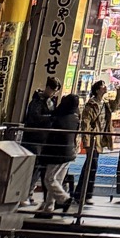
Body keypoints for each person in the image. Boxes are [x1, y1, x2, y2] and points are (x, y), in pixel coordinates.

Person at [37, 90, 80, 215]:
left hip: (57, 152)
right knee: (57, 181)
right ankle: (48, 208)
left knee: (49, 179)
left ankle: (64, 199)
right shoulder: (75, 116)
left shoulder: (61, 116)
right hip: (69, 152)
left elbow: (48, 125)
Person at [74, 80, 116, 207]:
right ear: (97, 90)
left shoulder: (105, 103)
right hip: (93, 139)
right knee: (91, 166)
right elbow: (86, 123)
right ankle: (83, 194)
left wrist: (119, 92)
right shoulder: (91, 105)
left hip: (99, 138)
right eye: (103, 86)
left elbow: (116, 106)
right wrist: (86, 141)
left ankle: (83, 194)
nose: (105, 88)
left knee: (91, 166)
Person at [21, 77, 58, 209]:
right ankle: (24, 194)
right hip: (33, 138)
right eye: (53, 90)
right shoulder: (37, 101)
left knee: (37, 168)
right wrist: (51, 118)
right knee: (32, 168)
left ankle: (29, 193)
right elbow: (34, 118)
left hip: (43, 139)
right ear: (47, 88)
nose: (53, 93)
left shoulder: (50, 101)